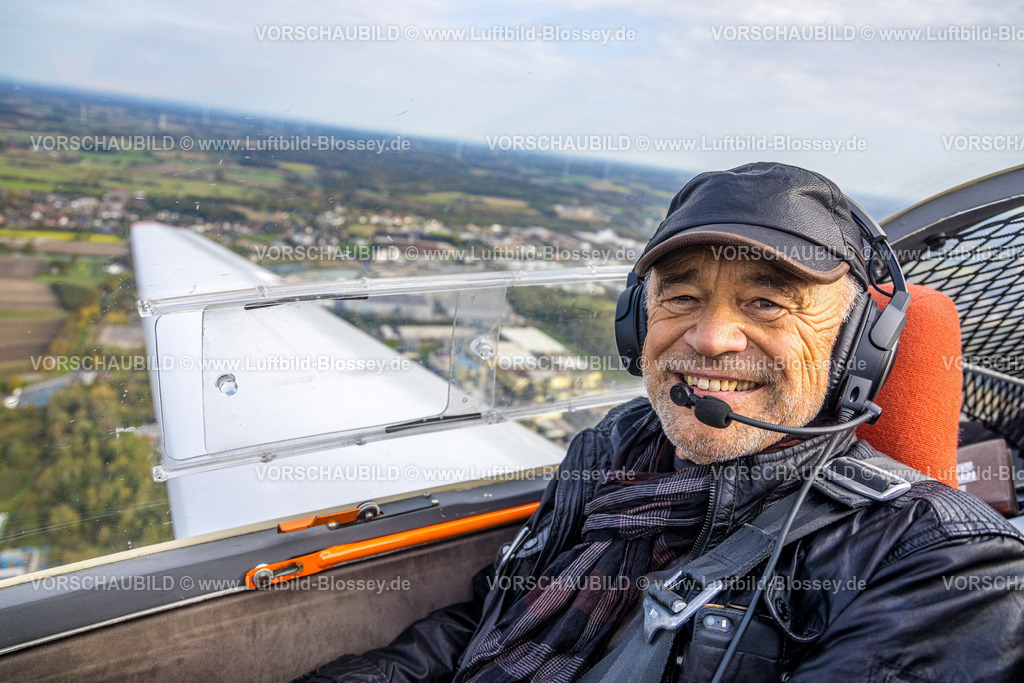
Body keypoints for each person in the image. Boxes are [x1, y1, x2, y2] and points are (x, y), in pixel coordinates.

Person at [300, 162, 1024, 682]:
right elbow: (489, 618)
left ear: (856, 347)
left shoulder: (941, 564)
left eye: (767, 303)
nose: (709, 339)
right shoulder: (615, 449)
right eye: (681, 298)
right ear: (636, 323)